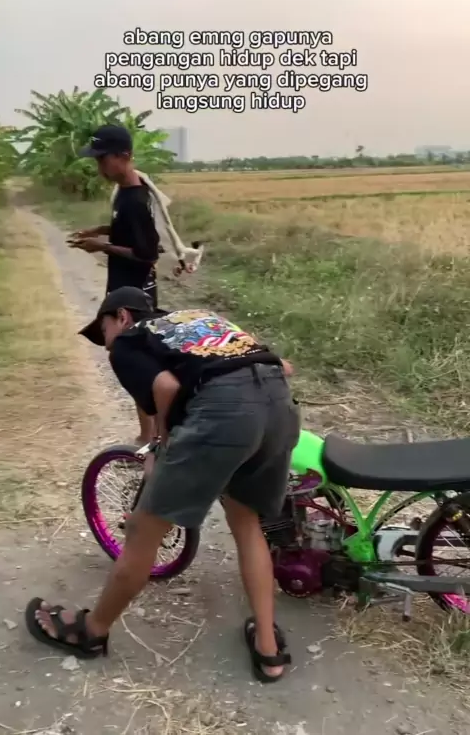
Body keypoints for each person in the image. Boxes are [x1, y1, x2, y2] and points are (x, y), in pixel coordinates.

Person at [25, 287, 300, 683]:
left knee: (142, 530)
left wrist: (162, 446)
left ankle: (91, 632)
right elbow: (283, 366)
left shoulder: (128, 342)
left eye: (103, 331)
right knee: (246, 523)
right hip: (278, 403)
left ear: (121, 316)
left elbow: (167, 388)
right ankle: (268, 652)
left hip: (226, 412)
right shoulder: (198, 320)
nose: (106, 343)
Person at [68, 124, 160, 445]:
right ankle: (150, 434)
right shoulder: (123, 192)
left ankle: (151, 436)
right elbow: (126, 230)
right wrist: (99, 231)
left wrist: (102, 247)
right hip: (123, 286)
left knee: (136, 360)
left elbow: (147, 254)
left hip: (136, 293)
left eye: (103, 159)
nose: (99, 167)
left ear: (124, 156)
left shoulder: (136, 198)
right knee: (133, 357)